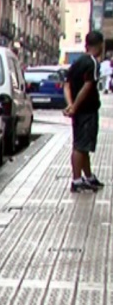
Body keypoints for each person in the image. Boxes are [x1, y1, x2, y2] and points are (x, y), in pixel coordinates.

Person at [64, 30, 105, 192]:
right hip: (87, 111)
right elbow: (88, 86)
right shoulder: (93, 63)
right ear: (100, 45)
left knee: (83, 145)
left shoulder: (77, 62)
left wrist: (70, 105)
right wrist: (74, 106)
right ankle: (76, 180)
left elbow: (67, 84)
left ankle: (88, 177)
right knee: (80, 146)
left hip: (79, 112)